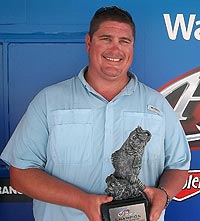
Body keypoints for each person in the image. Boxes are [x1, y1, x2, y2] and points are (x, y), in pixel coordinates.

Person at [0, 6, 190, 221]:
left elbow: (177, 166)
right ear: (89, 42)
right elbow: (21, 174)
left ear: (133, 47)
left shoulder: (157, 104)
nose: (115, 50)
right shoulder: (49, 101)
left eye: (124, 41)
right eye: (106, 39)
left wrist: (163, 194)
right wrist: (82, 201)